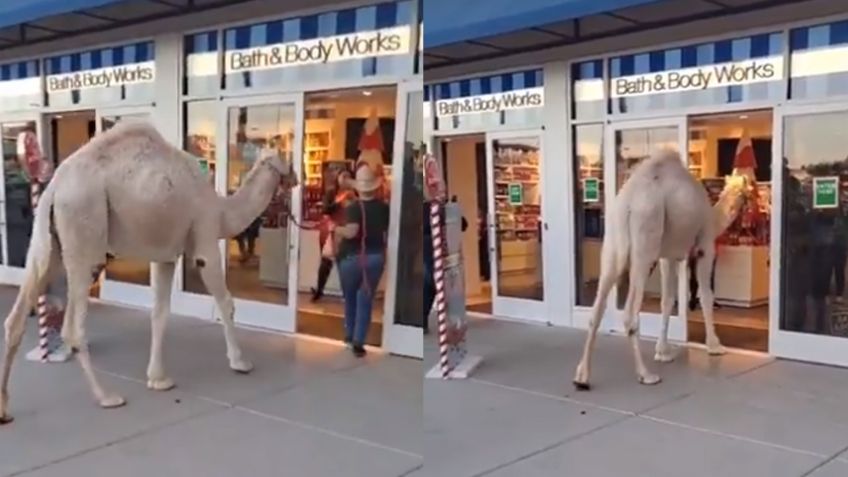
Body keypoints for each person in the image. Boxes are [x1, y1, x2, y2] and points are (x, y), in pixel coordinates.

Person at [336, 164, 389, 357]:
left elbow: (352, 232)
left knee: (350, 298)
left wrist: (335, 229)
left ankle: (349, 335)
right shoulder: (384, 208)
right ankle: (359, 341)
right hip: (374, 258)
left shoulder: (353, 208)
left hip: (351, 258)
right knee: (365, 299)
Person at [311, 169, 355, 302]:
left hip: (348, 231)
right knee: (326, 261)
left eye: (348, 177)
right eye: (343, 176)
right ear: (338, 178)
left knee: (345, 264)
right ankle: (319, 290)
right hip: (332, 230)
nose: (345, 179)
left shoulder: (354, 193)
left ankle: (347, 293)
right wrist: (338, 201)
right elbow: (325, 210)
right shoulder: (332, 192)